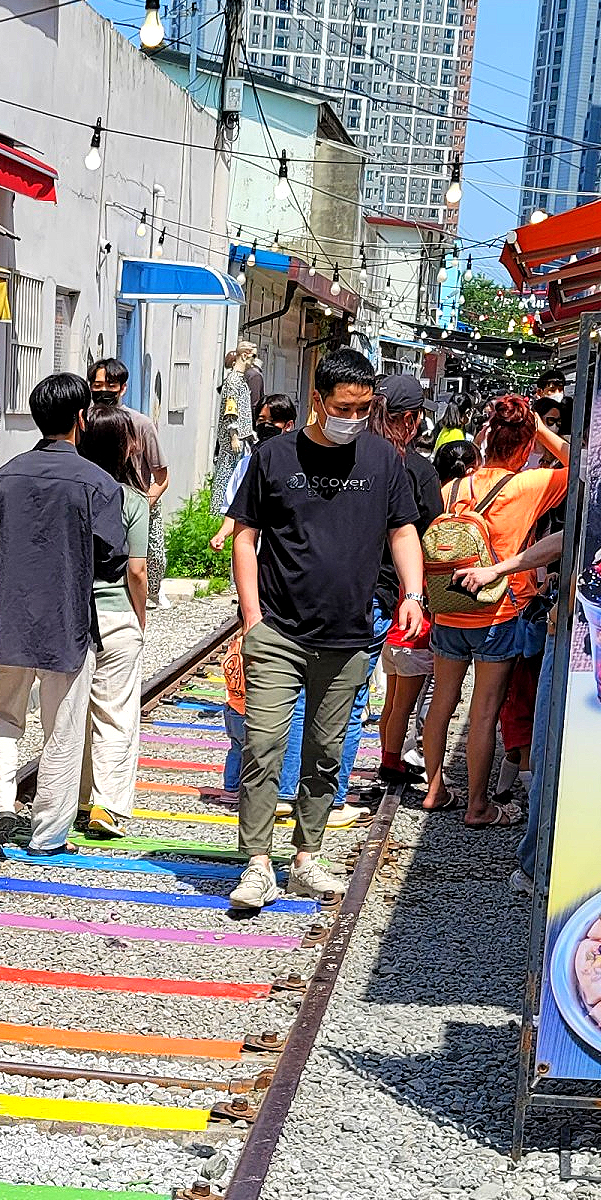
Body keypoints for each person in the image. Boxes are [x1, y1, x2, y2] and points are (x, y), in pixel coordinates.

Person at [224, 346, 427, 911]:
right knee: (263, 746)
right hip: (279, 629)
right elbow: (245, 535)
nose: (354, 418)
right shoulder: (273, 456)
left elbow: (403, 531)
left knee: (325, 751)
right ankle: (257, 863)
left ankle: (307, 857)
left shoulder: (383, 460)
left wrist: (413, 594)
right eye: (345, 406)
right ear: (318, 400)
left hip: (349, 634)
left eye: (364, 408)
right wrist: (252, 617)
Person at [0, 372, 129, 859]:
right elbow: (110, 560)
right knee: (62, 725)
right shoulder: (98, 483)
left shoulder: (4, 476)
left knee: (2, 713)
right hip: (68, 623)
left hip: (11, 619)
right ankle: (46, 832)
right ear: (82, 419)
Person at [419, 392, 569, 827]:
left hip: (447, 606)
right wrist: (542, 430)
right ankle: (478, 806)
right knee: (484, 711)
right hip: (497, 609)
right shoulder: (531, 484)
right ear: (526, 445)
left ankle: (434, 789)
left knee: (442, 702)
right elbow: (586, 467)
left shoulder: (455, 485)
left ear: (485, 440)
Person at [361, 371, 443, 802]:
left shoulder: (354, 456)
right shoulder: (418, 471)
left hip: (351, 584)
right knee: (402, 693)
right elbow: (433, 532)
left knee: (377, 691)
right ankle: (390, 765)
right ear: (411, 420)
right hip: (403, 595)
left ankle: (388, 759)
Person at [76, 405, 154, 839]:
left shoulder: (76, 491)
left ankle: (73, 797)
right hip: (116, 615)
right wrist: (138, 616)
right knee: (116, 713)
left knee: (74, 714)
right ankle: (106, 805)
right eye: (132, 437)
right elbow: (137, 571)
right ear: (124, 446)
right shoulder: (133, 501)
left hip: (73, 617)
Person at [88, 358, 168, 607]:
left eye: (111, 385)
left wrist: (144, 504)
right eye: (97, 384)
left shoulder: (141, 424)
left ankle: (145, 599)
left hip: (135, 502)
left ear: (123, 388)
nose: (103, 391)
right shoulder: (83, 421)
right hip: (93, 502)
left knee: (149, 560)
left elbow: (161, 477)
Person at [210, 396, 296, 554]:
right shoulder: (246, 464)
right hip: (248, 552)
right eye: (261, 420)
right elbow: (237, 509)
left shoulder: (297, 466)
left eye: (273, 420)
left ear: (288, 425)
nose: (266, 425)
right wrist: (221, 534)